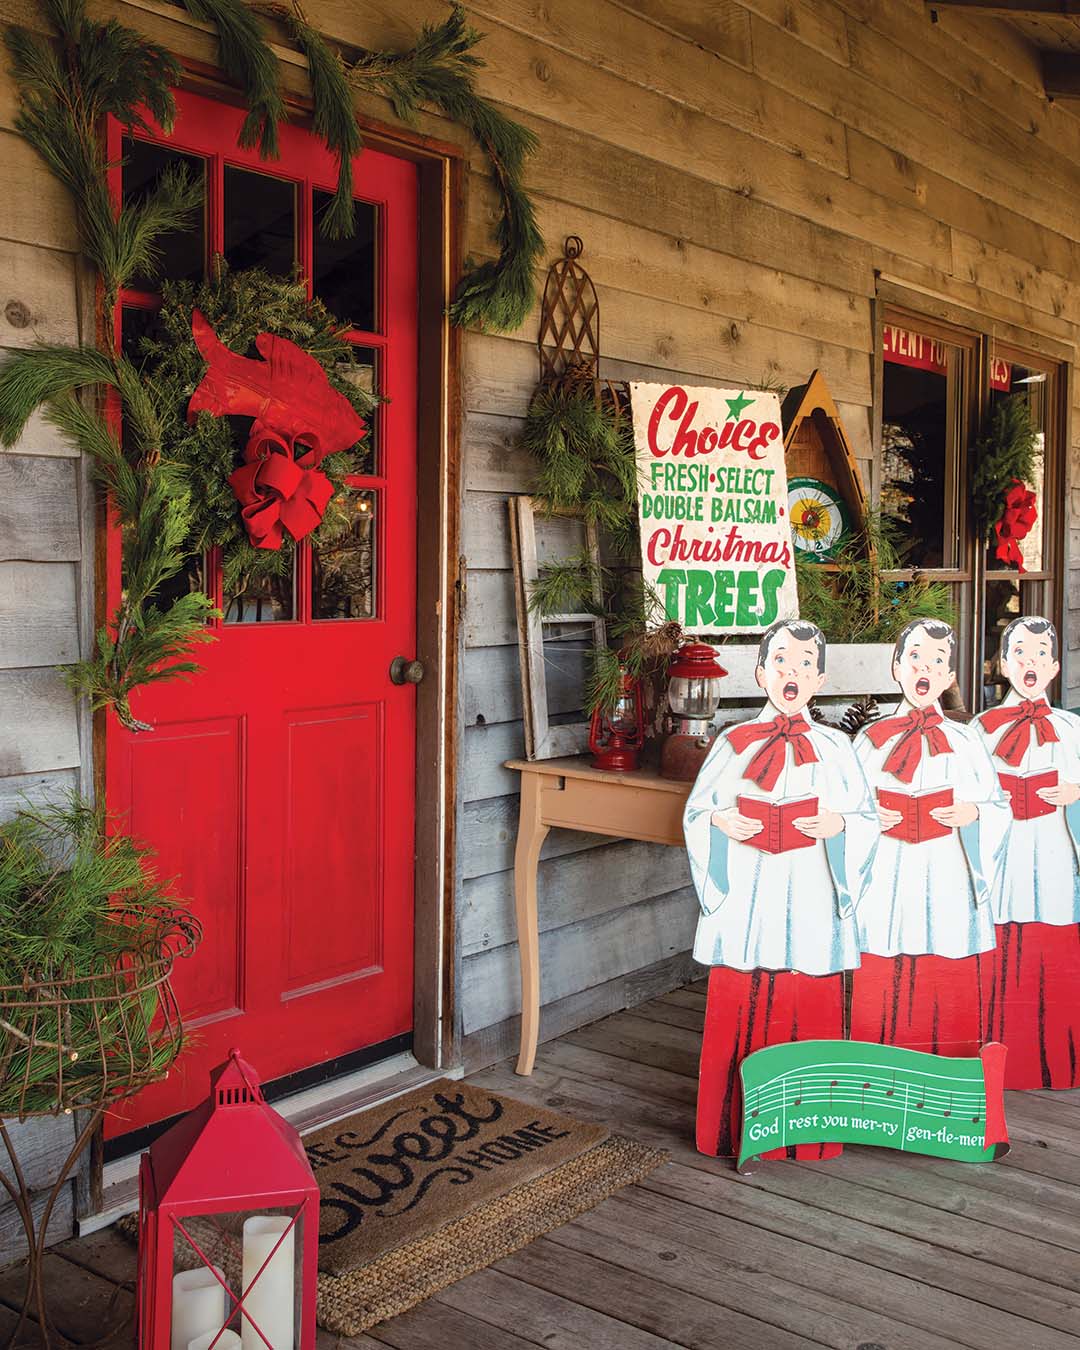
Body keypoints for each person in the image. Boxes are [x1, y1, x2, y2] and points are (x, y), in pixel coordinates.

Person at [684, 618, 879, 1158]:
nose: (792, 673)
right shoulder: (732, 744)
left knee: (808, 997)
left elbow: (867, 819)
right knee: (742, 996)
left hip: (811, 891)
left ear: (819, 680)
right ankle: (731, 1127)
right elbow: (697, 812)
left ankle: (806, 1134)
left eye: (804, 665)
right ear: (760, 673)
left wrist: (839, 825)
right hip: (750, 896)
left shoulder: (836, 748)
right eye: (781, 663)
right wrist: (720, 822)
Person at [850, 619, 1010, 1057]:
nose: (925, 668)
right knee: (885, 966)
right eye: (915, 658)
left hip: (947, 870)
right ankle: (879, 1060)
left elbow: (998, 805)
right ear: (897, 668)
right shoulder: (870, 741)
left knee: (946, 965)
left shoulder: (967, 741)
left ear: (949, 676)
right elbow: (845, 809)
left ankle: (947, 1065)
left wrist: (973, 812)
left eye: (937, 661)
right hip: (890, 873)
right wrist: (868, 817)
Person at [974, 616, 1080, 1088]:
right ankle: (999, 1063)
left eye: (1040, 654)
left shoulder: (1072, 729)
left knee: (1055, 951)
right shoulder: (981, 730)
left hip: (1054, 854)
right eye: (1019, 652)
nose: (1029, 662)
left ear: (1055, 666)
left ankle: (1058, 1064)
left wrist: (1075, 793)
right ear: (1002, 664)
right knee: (1002, 949)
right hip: (1005, 858)